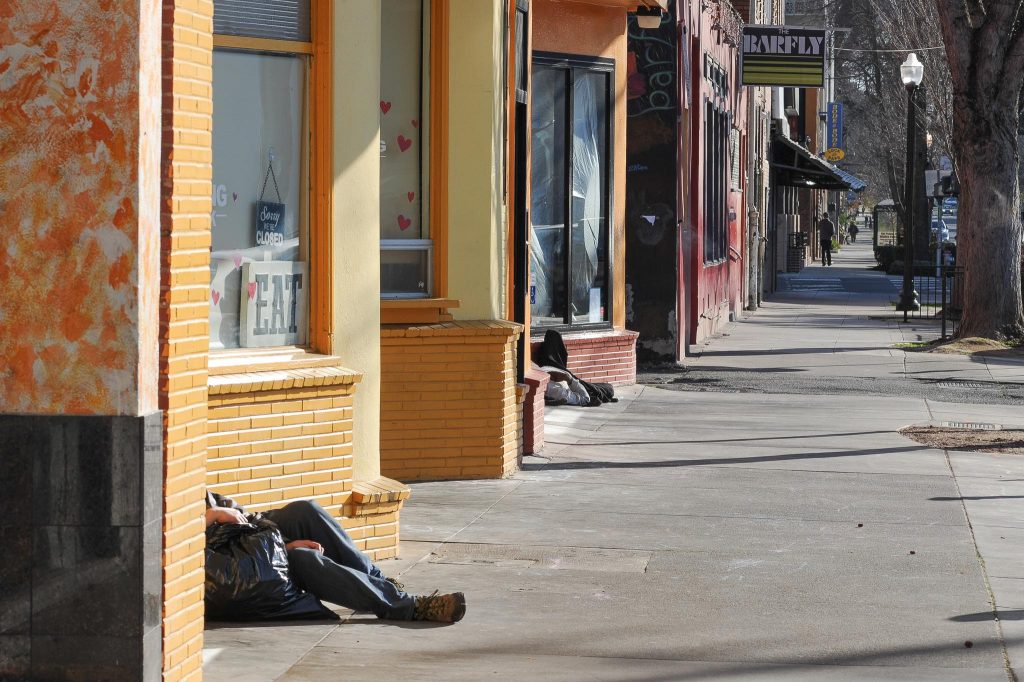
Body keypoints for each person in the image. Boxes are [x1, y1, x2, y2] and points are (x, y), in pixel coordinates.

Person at [206, 492, 466, 623]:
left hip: (247, 545)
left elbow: (239, 517)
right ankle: (409, 607)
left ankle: (377, 580)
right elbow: (221, 566)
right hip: (236, 570)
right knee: (305, 560)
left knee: (304, 511)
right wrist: (285, 549)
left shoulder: (180, 476)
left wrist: (281, 542)